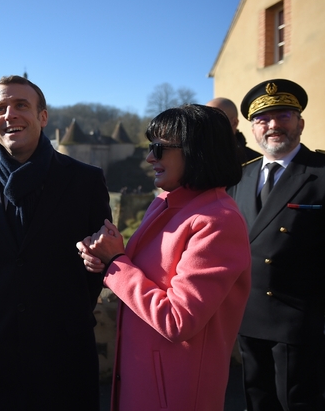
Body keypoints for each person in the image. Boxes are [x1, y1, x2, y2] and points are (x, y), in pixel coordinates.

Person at [77, 104, 251, 410]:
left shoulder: (218, 220)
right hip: (143, 377)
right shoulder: (164, 204)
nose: (149, 157)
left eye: (159, 148)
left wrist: (116, 263)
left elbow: (177, 320)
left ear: (197, 150)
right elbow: (138, 276)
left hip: (176, 391)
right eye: (149, 147)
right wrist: (104, 261)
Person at [0, 75, 112, 410]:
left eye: (21, 105)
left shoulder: (85, 180)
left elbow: (98, 264)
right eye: (0, 108)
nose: (10, 114)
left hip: (64, 347)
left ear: (43, 117)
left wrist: (64, 311)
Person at [227, 79, 325, 410]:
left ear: (300, 122)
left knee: (299, 403)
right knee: (258, 401)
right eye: (262, 119)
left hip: (302, 320)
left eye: (283, 115)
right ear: (253, 129)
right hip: (249, 316)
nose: (272, 126)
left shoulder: (321, 172)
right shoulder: (240, 177)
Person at [207, 97, 261, 164]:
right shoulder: (195, 158)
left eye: (215, 119)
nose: (209, 124)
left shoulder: (256, 163)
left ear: (234, 122)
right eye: (205, 119)